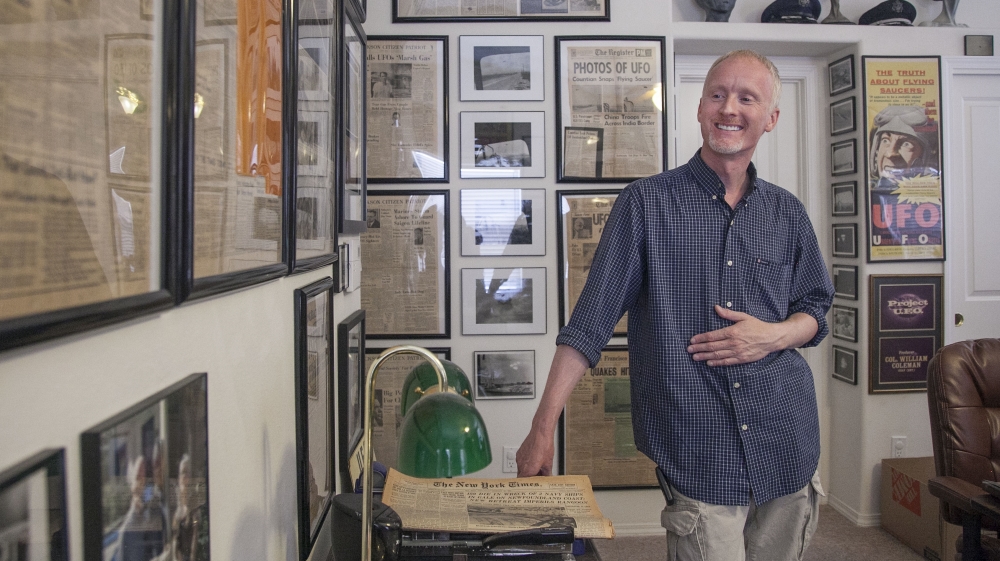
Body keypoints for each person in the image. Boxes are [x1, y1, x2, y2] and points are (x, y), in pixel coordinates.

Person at [516, 50, 834, 561]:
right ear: (701, 108)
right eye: (717, 94)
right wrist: (540, 428)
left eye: (746, 97)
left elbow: (816, 311)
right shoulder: (645, 204)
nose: (729, 107)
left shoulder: (787, 212)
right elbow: (588, 326)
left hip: (786, 440)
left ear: (770, 118)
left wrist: (773, 335)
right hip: (698, 447)